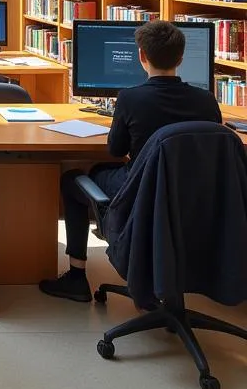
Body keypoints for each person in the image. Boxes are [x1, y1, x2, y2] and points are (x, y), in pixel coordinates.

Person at [39, 19, 222, 303]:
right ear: (182, 57)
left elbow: (115, 150)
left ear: (141, 56)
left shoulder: (131, 98)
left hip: (143, 191)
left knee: (75, 178)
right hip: (192, 197)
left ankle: (77, 276)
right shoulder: (207, 101)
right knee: (105, 171)